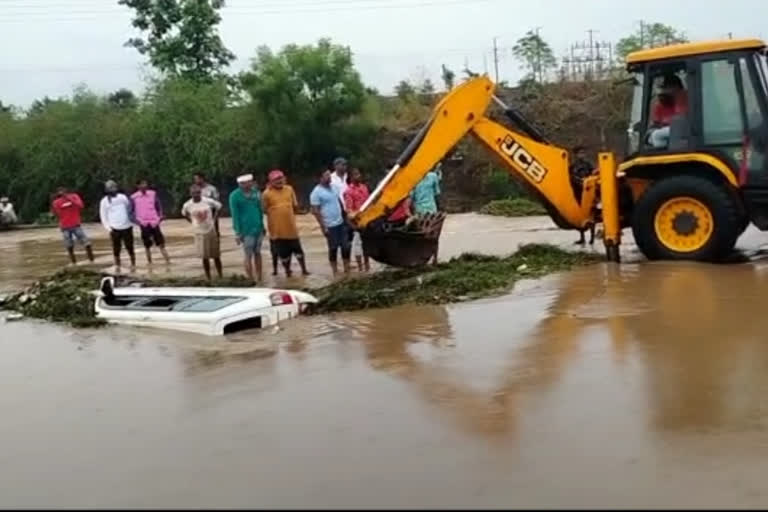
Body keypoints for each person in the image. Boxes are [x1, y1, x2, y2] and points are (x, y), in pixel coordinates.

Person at [261, 169, 310, 277]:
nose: (279, 181)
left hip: (291, 228)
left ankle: (304, 270)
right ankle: (287, 272)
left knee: (298, 251)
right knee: (283, 253)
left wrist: (301, 211)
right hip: (277, 229)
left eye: (281, 178)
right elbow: (264, 210)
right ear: (271, 182)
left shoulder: (289, 189)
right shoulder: (266, 194)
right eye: (276, 179)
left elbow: (294, 206)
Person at [310, 168, 351, 275]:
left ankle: (347, 269)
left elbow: (340, 202)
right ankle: (335, 271)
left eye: (329, 175)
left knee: (346, 247)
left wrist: (345, 218)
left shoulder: (334, 187)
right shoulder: (316, 192)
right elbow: (315, 211)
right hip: (329, 225)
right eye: (327, 176)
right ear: (320, 178)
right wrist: (323, 227)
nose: (329, 178)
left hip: (341, 222)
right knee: (333, 248)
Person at [181, 184, 223, 281]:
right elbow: (184, 213)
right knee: (205, 256)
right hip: (199, 232)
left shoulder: (207, 201)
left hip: (211, 229)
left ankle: (220, 275)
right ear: (190, 194)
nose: (196, 195)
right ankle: (208, 277)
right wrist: (191, 221)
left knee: (216, 255)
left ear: (200, 193)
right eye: (194, 193)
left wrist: (214, 218)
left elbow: (219, 207)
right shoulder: (188, 205)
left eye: (198, 193)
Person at [229, 173, 265, 283]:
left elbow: (260, 210)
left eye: (249, 182)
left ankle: (259, 277)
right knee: (248, 255)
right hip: (245, 230)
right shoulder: (234, 196)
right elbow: (234, 215)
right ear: (240, 184)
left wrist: (262, 226)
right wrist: (238, 232)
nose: (247, 185)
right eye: (244, 184)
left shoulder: (256, 193)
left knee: (258, 253)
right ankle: (250, 279)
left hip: (258, 228)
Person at [99, 180, 136, 272]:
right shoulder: (104, 202)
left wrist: (132, 222)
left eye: (114, 187)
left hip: (127, 226)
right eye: (111, 188)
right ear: (107, 190)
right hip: (114, 228)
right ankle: (117, 266)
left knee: (130, 247)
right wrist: (109, 228)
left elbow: (129, 209)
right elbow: (103, 216)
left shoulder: (122, 197)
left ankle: (133, 265)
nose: (113, 190)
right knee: (116, 249)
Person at [131, 180, 171, 265]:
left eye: (145, 183)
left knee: (161, 243)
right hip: (144, 223)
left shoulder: (153, 194)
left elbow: (158, 206)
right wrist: (138, 221)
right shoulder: (134, 197)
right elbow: (131, 211)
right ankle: (150, 263)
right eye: (142, 184)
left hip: (154, 222)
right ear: (138, 186)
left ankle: (168, 262)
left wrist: (160, 217)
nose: (144, 185)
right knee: (147, 245)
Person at [51, 187, 94, 265]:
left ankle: (92, 260)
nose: (62, 193)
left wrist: (69, 198)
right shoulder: (56, 202)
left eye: (63, 191)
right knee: (69, 246)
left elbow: (81, 205)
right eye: (60, 192)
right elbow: (57, 213)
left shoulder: (74, 196)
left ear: (66, 191)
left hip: (76, 225)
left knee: (87, 243)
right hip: (65, 227)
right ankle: (74, 263)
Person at [410, 165, 442, 264]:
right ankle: (426, 259)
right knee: (426, 236)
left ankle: (434, 259)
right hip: (422, 212)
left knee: (432, 236)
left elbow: (437, 194)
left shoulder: (433, 176)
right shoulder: (413, 180)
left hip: (430, 211)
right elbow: (411, 199)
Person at [648, 74, 689, 148]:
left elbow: (683, 121)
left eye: (667, 88)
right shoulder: (659, 105)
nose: (664, 92)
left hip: (686, 139)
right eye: (664, 88)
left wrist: (678, 97)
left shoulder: (686, 99)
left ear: (677, 88)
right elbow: (654, 126)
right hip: (666, 143)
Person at [343, 167, 371, 272]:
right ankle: (360, 267)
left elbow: (368, 202)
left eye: (359, 174)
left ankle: (367, 265)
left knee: (367, 244)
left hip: (367, 219)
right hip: (356, 221)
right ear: (351, 177)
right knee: (358, 245)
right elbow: (349, 210)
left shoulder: (364, 188)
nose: (358, 176)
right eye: (355, 175)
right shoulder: (348, 191)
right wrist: (354, 224)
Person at [569, 146, 596, 245]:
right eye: (580, 153)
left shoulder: (588, 165)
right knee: (580, 215)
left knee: (591, 215)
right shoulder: (573, 166)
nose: (582, 155)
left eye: (583, 153)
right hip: (578, 193)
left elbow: (593, 175)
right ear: (576, 155)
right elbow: (571, 178)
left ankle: (592, 238)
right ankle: (582, 237)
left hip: (588, 193)